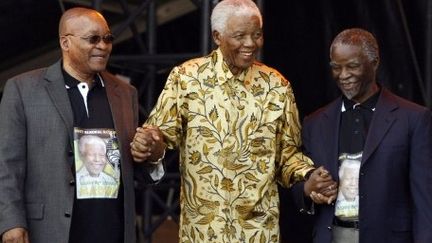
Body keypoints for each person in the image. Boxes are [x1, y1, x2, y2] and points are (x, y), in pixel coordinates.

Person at [130, 0, 337, 242]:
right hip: (203, 233)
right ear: (217, 36)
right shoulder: (186, 79)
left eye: (257, 35)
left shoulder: (276, 86)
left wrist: (308, 176)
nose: (250, 43)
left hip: (259, 233)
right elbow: (160, 135)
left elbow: (287, 155)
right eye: (240, 36)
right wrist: (151, 145)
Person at [0, 7, 162, 243]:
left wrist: (150, 153)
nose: (103, 46)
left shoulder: (125, 93)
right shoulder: (23, 89)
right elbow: (7, 164)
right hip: (49, 230)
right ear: (66, 43)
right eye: (93, 39)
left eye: (108, 39)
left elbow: (131, 164)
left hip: (111, 229)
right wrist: (11, 222)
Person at [292, 28, 432, 243]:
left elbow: (425, 201)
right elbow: (297, 183)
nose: (343, 75)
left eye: (353, 66)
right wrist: (308, 190)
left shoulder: (413, 119)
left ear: (374, 63)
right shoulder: (315, 123)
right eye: (336, 68)